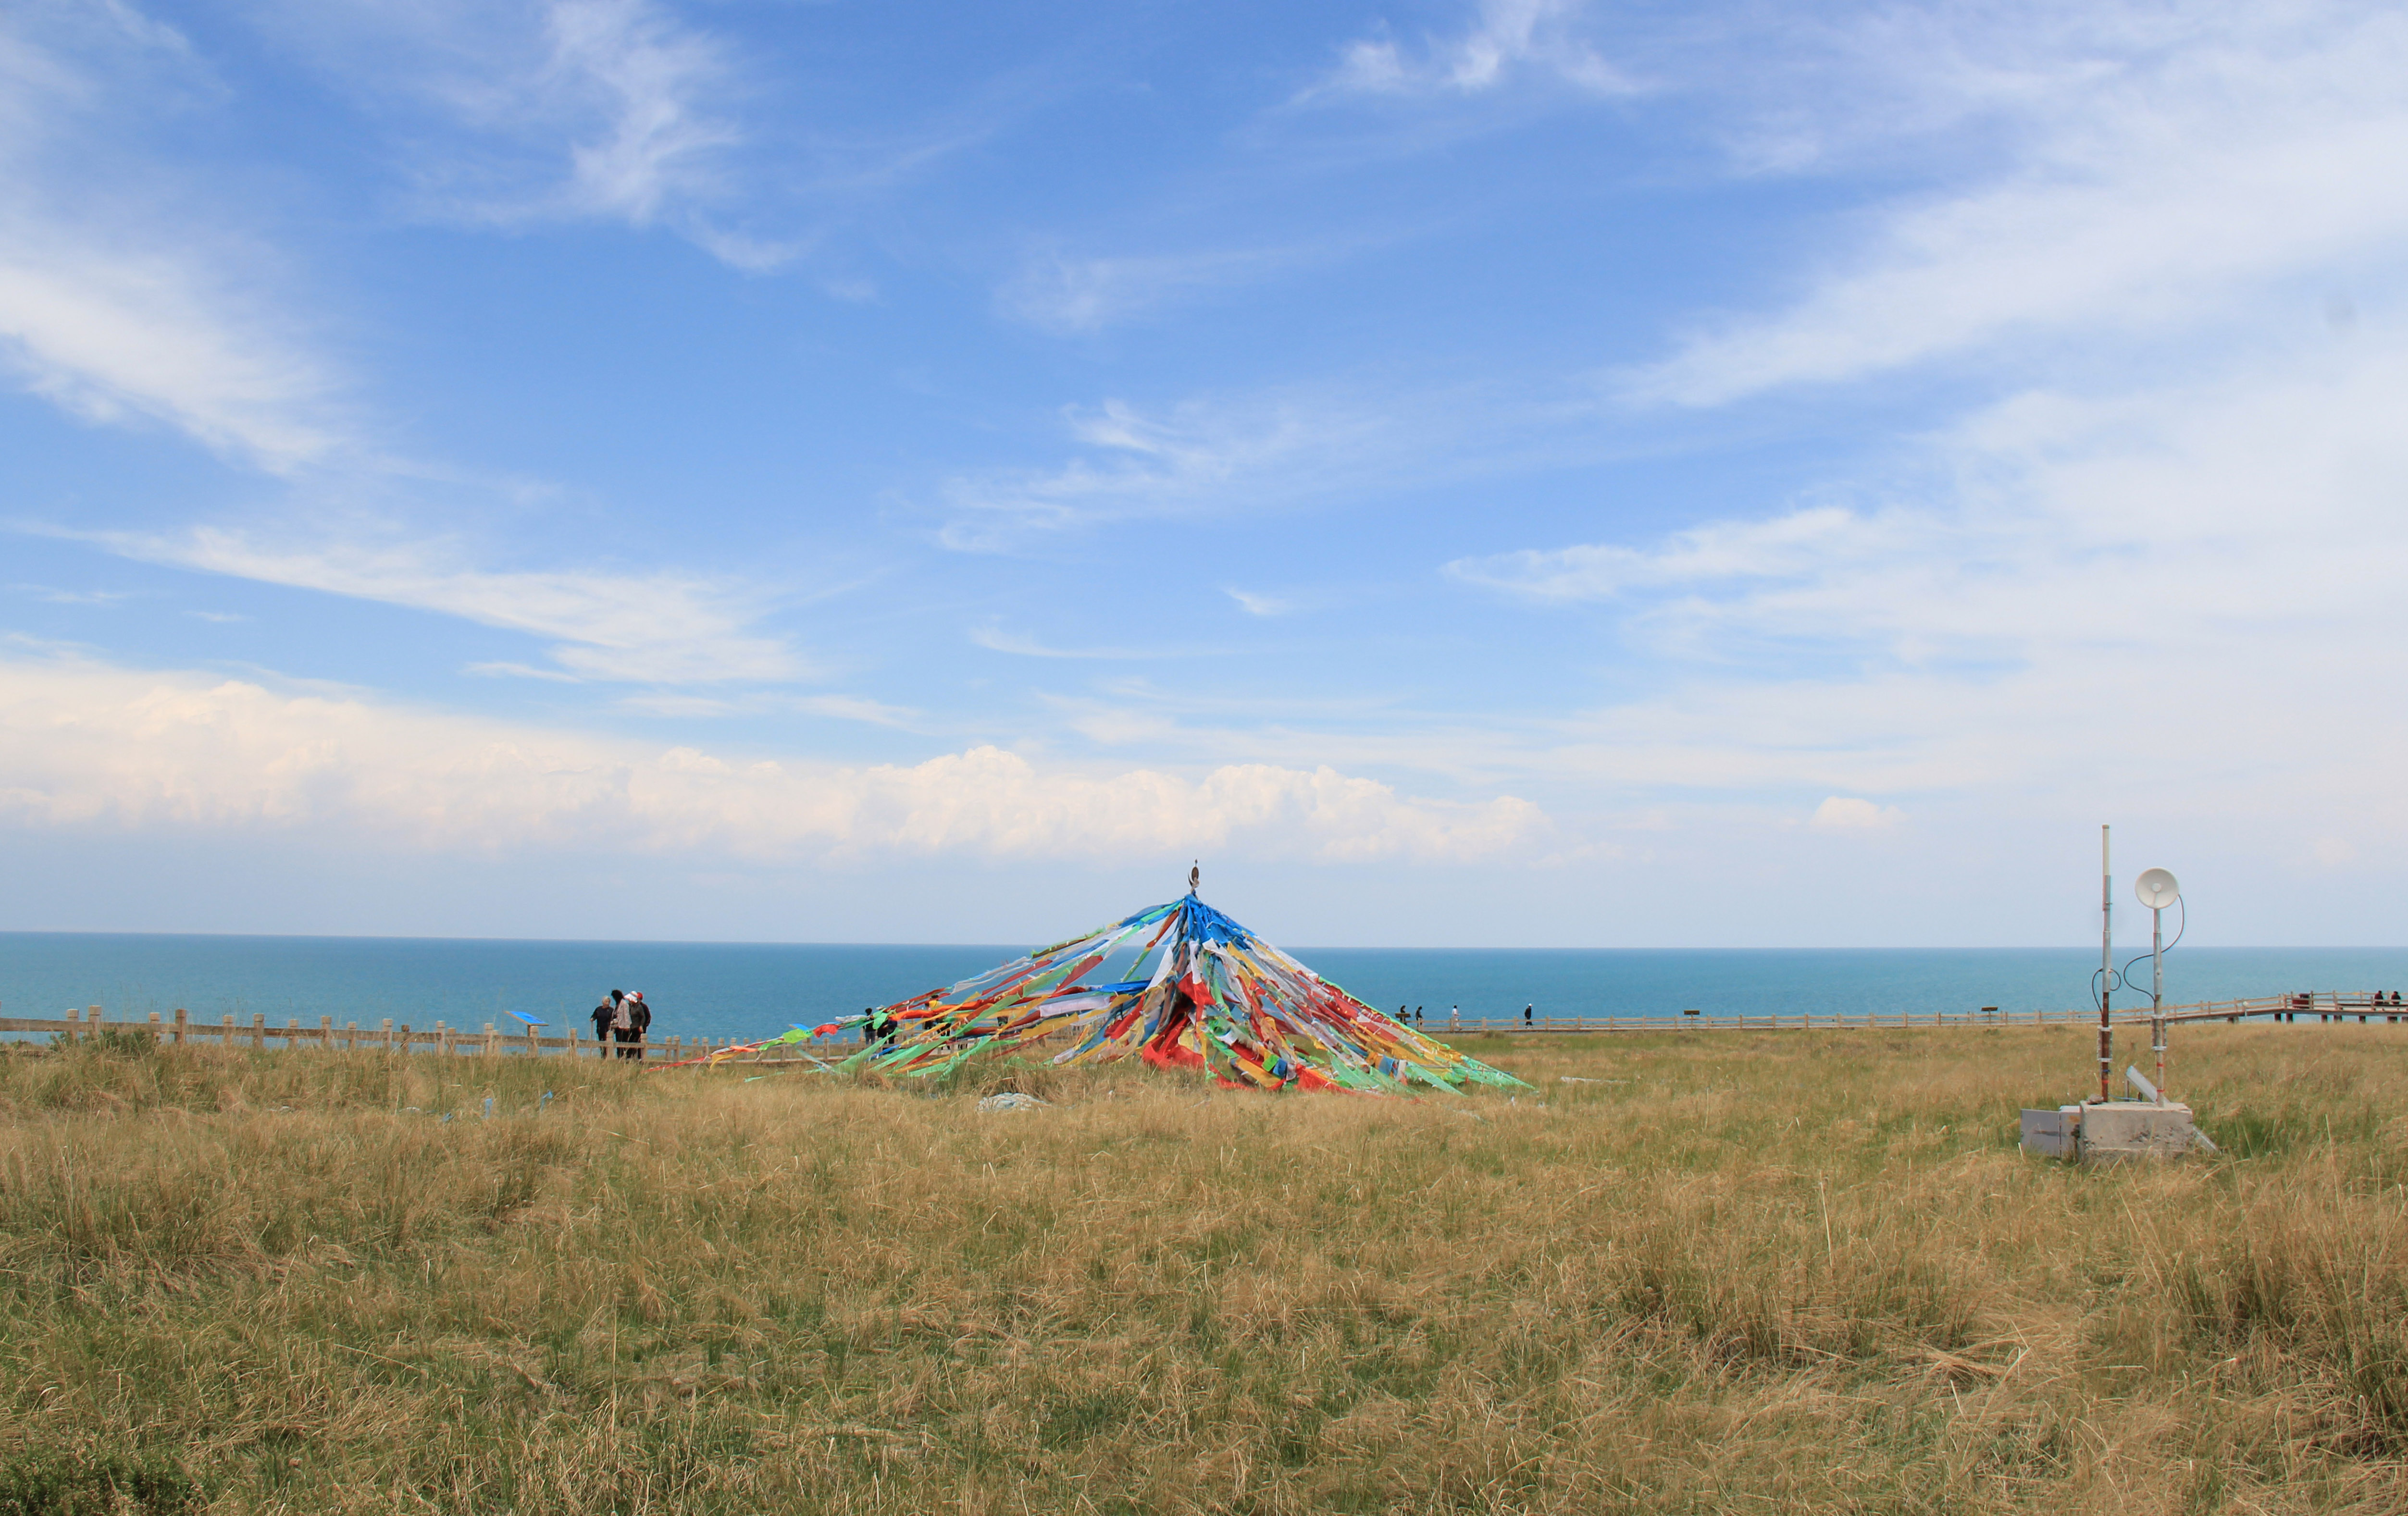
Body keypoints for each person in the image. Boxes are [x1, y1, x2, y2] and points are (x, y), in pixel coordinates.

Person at [592, 990, 623, 1057]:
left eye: (609, 1002)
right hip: (600, 1028)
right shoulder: (598, 1009)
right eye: (606, 1002)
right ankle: (603, 1056)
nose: (607, 1003)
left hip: (608, 1029)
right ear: (603, 1002)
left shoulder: (611, 1010)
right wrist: (592, 1019)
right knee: (601, 1042)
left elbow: (615, 1018)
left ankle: (609, 1056)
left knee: (608, 1043)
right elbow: (595, 1016)